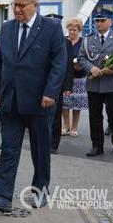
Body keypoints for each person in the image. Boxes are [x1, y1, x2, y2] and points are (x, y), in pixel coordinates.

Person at [0, 0, 66, 212]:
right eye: (14, 4)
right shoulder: (7, 28)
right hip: (10, 102)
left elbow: (59, 64)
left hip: (39, 102)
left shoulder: (51, 28)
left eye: (21, 5)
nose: (16, 9)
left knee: (40, 151)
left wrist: (50, 92)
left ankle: (40, 193)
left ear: (35, 5)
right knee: (8, 149)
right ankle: (1, 196)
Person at [78, 9, 113, 157]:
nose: (99, 24)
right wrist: (91, 68)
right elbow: (81, 58)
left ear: (110, 22)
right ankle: (97, 145)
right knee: (95, 117)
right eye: (97, 21)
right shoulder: (88, 38)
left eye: (102, 21)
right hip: (94, 84)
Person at [45, 14, 75, 154]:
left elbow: (68, 66)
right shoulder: (41, 39)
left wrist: (68, 86)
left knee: (55, 115)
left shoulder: (66, 42)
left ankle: (53, 144)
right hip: (40, 83)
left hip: (57, 84)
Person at [61, 18, 88, 137]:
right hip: (66, 77)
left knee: (77, 103)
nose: (71, 32)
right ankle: (65, 125)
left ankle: (75, 126)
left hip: (79, 77)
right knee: (65, 102)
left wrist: (80, 66)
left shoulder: (84, 42)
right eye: (70, 29)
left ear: (79, 30)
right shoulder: (64, 41)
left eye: (74, 30)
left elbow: (87, 58)